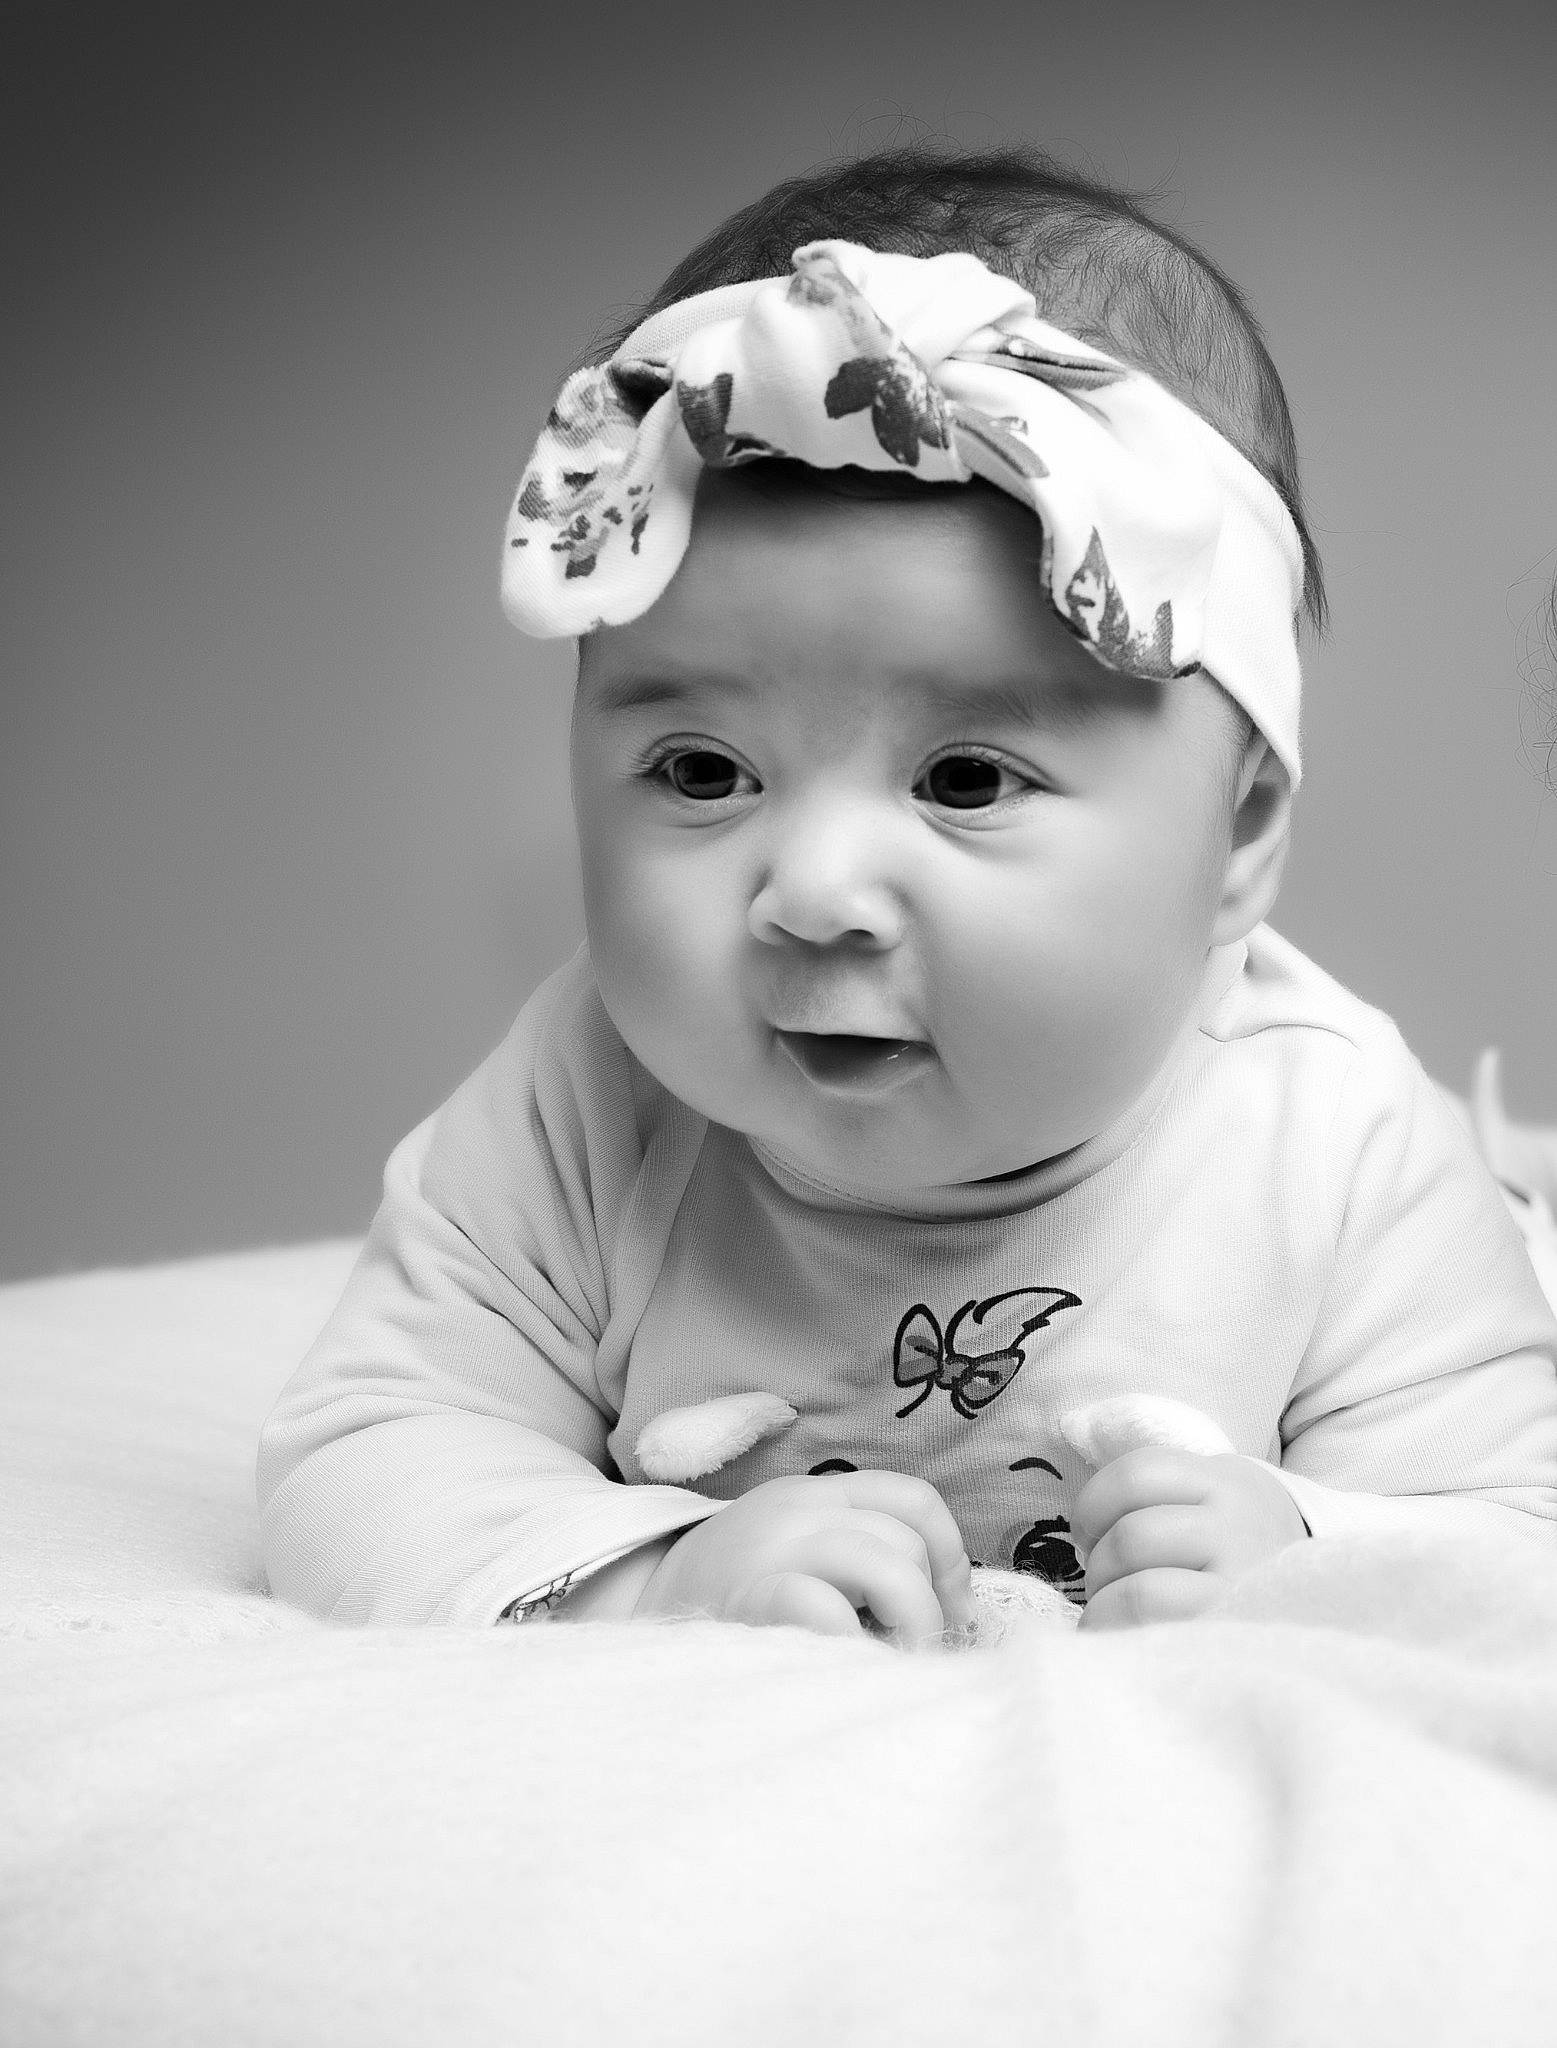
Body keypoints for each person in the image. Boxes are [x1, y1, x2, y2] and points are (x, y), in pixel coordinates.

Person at [257, 148, 1557, 1642]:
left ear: (1240, 836)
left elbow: (1512, 1525)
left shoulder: (1336, 1147)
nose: (811, 896)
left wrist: (1310, 1544)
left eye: (962, 780)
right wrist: (648, 1576)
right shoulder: (580, 1106)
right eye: (699, 770)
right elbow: (365, 1446)